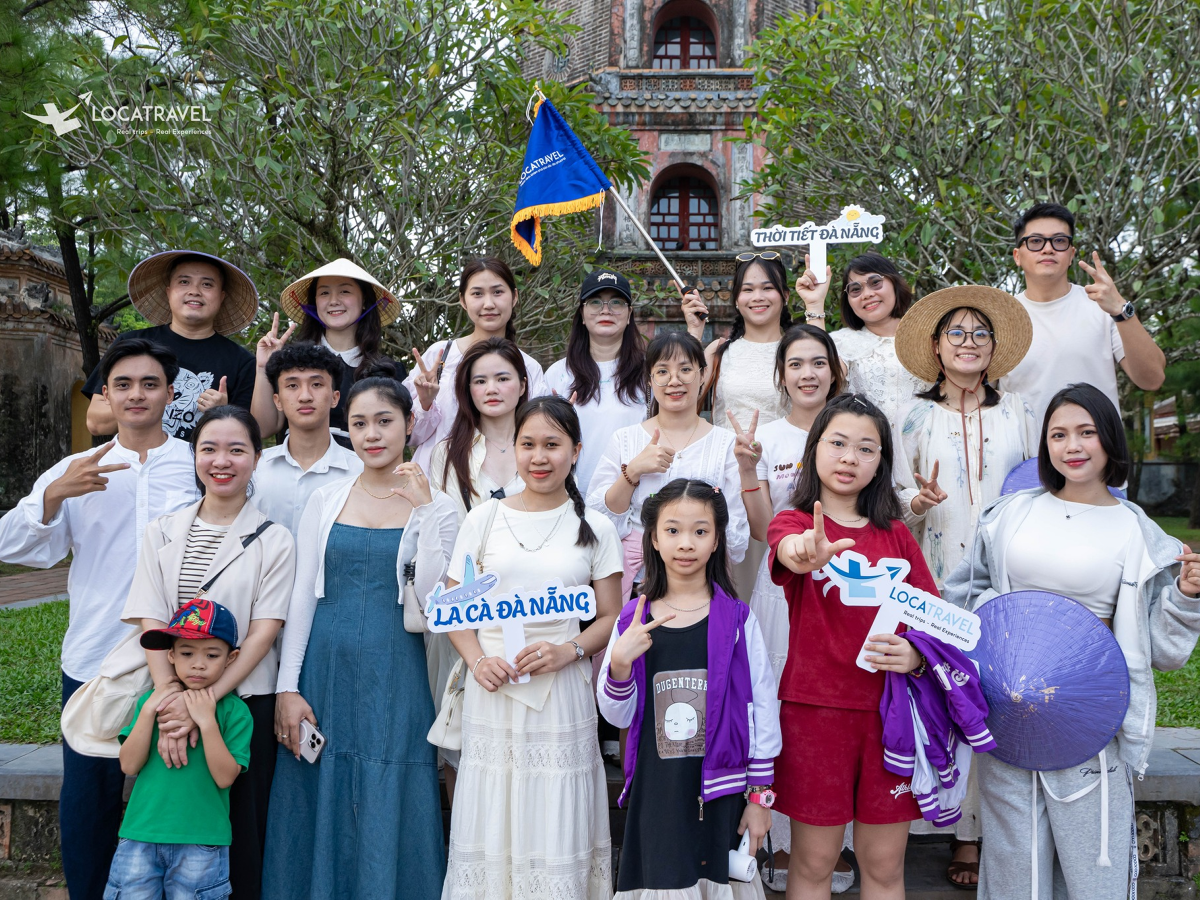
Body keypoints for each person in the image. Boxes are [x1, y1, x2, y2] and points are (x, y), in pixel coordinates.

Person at [943, 383, 1200, 898]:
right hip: (1005, 709)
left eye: (1086, 432)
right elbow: (962, 598)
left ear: (1110, 439)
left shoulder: (1140, 535)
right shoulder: (1009, 514)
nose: (1072, 446)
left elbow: (1163, 651)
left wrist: (1186, 598)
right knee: (1012, 863)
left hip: (1090, 717)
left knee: (1093, 866)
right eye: (1058, 435)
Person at [0, 339, 198, 900]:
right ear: (105, 393)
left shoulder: (195, 463)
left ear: (170, 393)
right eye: (123, 384)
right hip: (96, 655)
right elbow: (15, 546)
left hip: (185, 657)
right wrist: (52, 497)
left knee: (180, 793)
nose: (137, 395)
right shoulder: (76, 468)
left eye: (150, 384)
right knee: (90, 798)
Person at [262, 371, 456, 900]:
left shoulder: (441, 506)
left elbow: (437, 604)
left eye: (384, 421)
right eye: (360, 423)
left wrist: (424, 510)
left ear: (410, 424)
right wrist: (288, 686)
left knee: (391, 781)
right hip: (324, 667)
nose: (372, 434)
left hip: (399, 670)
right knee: (316, 780)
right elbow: (303, 595)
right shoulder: (327, 499)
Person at [440, 397, 624, 900]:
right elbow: (453, 610)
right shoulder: (483, 519)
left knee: (555, 808)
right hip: (493, 691)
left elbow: (611, 616)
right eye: (528, 444)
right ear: (514, 449)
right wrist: (478, 661)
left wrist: (569, 651)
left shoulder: (597, 528)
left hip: (560, 693)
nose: (539, 457)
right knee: (494, 806)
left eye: (552, 445)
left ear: (575, 451)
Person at [891, 286, 1038, 887]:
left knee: (999, 692)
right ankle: (944, 820)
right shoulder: (913, 416)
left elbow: (1040, 483)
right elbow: (893, 496)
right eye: (957, 332)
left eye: (980, 333)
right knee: (947, 690)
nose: (969, 342)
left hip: (1009, 573)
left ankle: (983, 832)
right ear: (935, 346)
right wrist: (917, 502)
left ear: (995, 347)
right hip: (935, 571)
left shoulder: (1021, 412)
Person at [121, 406, 295, 900]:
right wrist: (171, 697)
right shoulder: (162, 530)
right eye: (209, 449)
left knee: (241, 831)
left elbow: (263, 631)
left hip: (243, 702)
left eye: (237, 450)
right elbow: (151, 617)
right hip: (167, 699)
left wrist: (205, 702)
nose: (222, 461)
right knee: (170, 825)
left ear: (257, 458)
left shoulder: (275, 539)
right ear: (193, 456)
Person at [767, 393, 937, 898]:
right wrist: (804, 551)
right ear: (814, 449)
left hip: (891, 716)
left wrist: (915, 655)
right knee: (815, 862)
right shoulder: (794, 523)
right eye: (838, 443)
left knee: (884, 866)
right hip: (816, 714)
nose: (849, 458)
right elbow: (790, 551)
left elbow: (932, 619)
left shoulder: (898, 535)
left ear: (881, 463)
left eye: (866, 448)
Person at [597, 478, 782, 899]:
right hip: (658, 789)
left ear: (716, 540)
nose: (686, 543)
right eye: (673, 530)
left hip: (721, 790)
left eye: (700, 531)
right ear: (654, 539)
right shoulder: (633, 619)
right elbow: (617, 715)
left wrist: (760, 798)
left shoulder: (737, 620)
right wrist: (621, 664)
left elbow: (762, 709)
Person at [728, 323, 847, 892]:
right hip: (781, 592)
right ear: (781, 376)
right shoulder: (768, 439)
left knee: (834, 707)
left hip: (844, 592)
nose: (808, 373)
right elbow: (761, 531)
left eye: (818, 362)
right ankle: (773, 835)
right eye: (796, 364)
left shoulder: (853, 428)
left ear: (835, 371)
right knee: (774, 702)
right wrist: (748, 469)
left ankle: (836, 842)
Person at [105, 599, 253, 900]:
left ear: (231, 658)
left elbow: (225, 777)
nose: (198, 664)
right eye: (187, 653)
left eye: (212, 655)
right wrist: (149, 711)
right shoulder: (152, 701)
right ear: (170, 655)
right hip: (140, 833)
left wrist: (206, 722)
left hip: (201, 839)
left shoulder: (235, 712)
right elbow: (129, 765)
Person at [588, 332, 749, 601]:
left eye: (685, 369)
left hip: (702, 583)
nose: (674, 381)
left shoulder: (725, 444)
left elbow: (734, 536)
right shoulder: (625, 439)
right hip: (636, 583)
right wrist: (632, 472)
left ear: (702, 374)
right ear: (649, 379)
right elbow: (599, 521)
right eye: (662, 371)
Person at [999, 202, 1166, 423]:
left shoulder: (1103, 307)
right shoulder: (1000, 319)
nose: (1047, 249)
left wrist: (1121, 310)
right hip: (1024, 446)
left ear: (1071, 255)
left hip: (1098, 444)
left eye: (1059, 241)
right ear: (1017, 256)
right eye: (1036, 241)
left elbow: (1152, 379)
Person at [83, 251, 258, 441]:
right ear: (168, 292)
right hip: (137, 459)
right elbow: (95, 422)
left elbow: (251, 436)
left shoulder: (242, 362)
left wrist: (223, 412)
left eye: (207, 284)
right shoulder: (130, 345)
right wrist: (149, 400)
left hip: (200, 461)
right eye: (184, 282)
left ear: (222, 296)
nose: (194, 291)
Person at [406, 257, 548, 473]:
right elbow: (408, 435)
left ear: (514, 297)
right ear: (463, 300)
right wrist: (425, 404)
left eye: (498, 292)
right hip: (435, 481)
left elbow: (535, 435)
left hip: (502, 481)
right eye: (477, 294)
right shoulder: (440, 356)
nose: (488, 304)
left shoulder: (528, 367)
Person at [251, 258, 406, 441]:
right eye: (324, 293)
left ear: (364, 300)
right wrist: (263, 367)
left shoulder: (388, 372)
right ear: (315, 302)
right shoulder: (289, 362)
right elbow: (261, 430)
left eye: (345, 291)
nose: (333, 301)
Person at [799, 251, 930, 431]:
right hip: (862, 445)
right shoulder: (842, 343)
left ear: (895, 283)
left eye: (875, 282)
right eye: (855, 289)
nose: (867, 294)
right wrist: (814, 304)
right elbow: (817, 376)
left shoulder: (930, 338)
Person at [545, 268, 647, 496]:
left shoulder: (649, 373)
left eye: (616, 302)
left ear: (629, 314)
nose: (606, 310)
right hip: (571, 498)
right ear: (582, 314)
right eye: (595, 302)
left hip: (634, 500)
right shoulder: (558, 374)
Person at [252, 343, 363, 540]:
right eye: (292, 386)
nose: (305, 396)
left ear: (335, 398)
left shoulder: (360, 473)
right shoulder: (254, 469)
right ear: (277, 400)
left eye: (316, 384)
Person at [688, 251, 792, 430]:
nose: (757, 297)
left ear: (785, 295)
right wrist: (694, 333)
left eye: (767, 288)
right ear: (736, 299)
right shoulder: (718, 351)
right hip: (728, 448)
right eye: (748, 290)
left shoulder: (797, 351)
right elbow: (683, 399)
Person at [431, 337, 529, 522]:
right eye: (480, 381)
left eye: (502, 379)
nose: (491, 389)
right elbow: (448, 528)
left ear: (522, 386)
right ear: (468, 389)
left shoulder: (545, 447)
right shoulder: (447, 453)